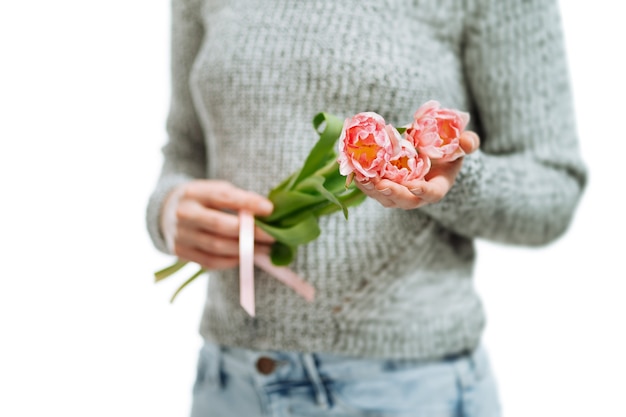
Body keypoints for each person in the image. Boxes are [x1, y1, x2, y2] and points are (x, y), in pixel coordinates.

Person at [146, 0, 587, 416]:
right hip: (229, 381)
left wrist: (455, 182)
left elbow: (553, 187)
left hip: (404, 388)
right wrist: (168, 212)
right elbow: (184, 146)